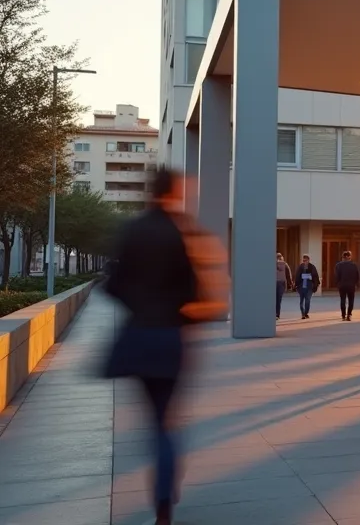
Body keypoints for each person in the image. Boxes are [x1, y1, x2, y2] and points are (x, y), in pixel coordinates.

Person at [102, 168, 228, 525]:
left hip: (138, 337)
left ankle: (162, 488)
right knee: (166, 421)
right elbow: (202, 295)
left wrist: (141, 307)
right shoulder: (185, 232)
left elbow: (111, 285)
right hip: (171, 339)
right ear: (175, 191)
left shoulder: (132, 230)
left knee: (154, 420)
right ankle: (163, 500)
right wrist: (184, 317)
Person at [335, 250, 360, 321]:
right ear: (350, 257)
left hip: (342, 285)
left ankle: (343, 315)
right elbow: (357, 276)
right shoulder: (354, 265)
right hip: (351, 286)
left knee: (343, 300)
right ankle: (349, 315)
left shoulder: (338, 265)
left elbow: (337, 276)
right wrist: (357, 284)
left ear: (343, 257)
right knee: (351, 300)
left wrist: (338, 284)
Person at [296, 255, 320, 319]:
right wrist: (296, 284)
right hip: (301, 287)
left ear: (308, 260)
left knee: (307, 300)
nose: (304, 262)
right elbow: (297, 276)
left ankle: (306, 313)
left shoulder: (312, 267)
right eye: (303, 260)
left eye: (305, 260)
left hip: (309, 287)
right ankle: (303, 314)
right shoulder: (300, 267)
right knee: (301, 301)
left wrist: (311, 278)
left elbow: (315, 276)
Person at [275, 253, 293, 320]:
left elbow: (288, 274)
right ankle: (277, 314)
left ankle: (276, 314)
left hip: (277, 283)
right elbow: (288, 275)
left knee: (275, 299)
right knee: (278, 300)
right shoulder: (285, 264)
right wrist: (290, 284)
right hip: (281, 283)